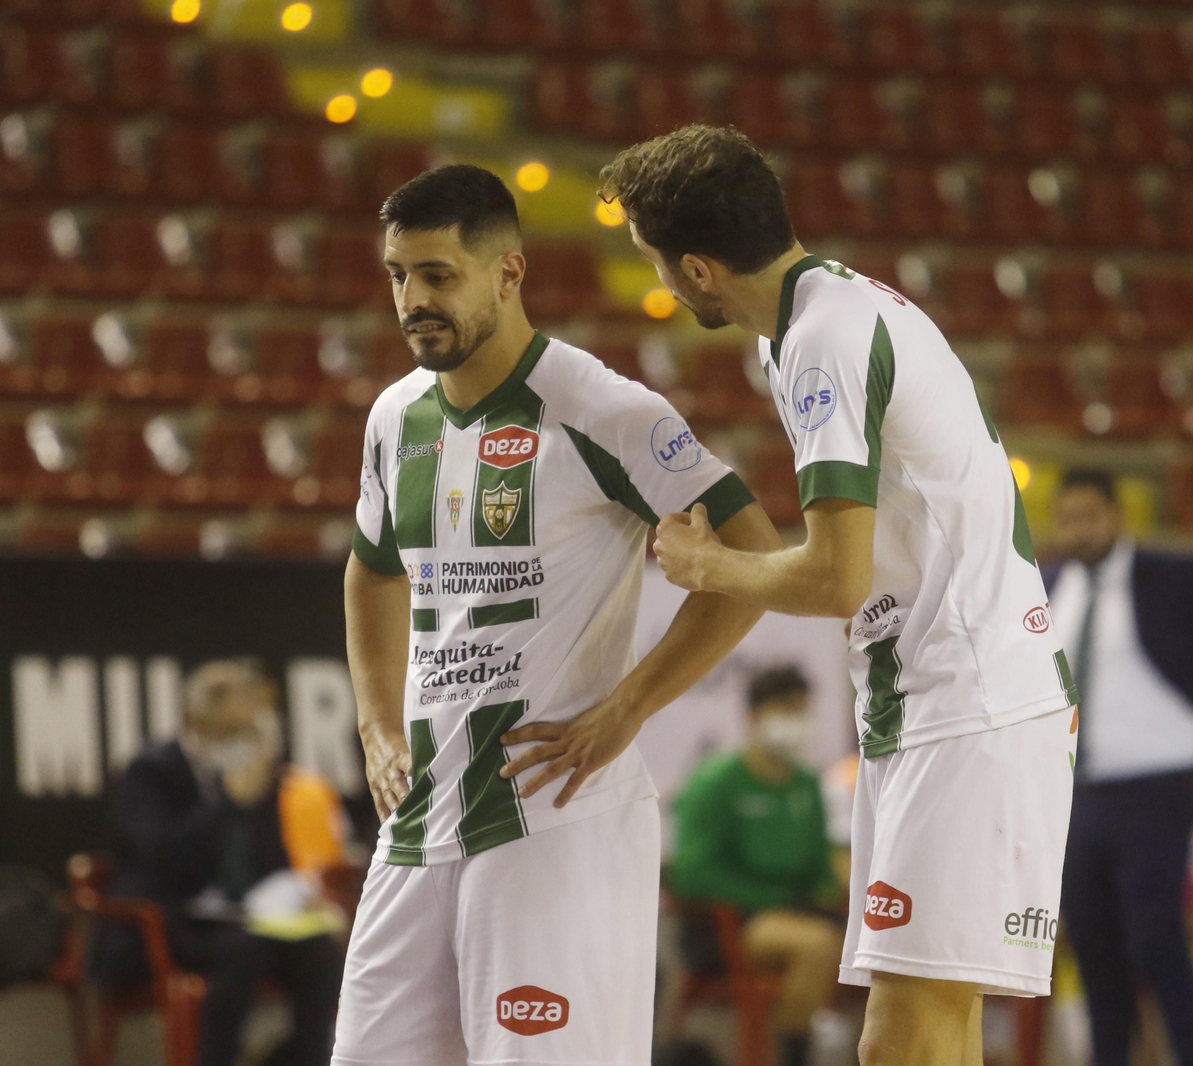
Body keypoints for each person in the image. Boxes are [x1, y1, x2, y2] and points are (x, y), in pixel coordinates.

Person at [596, 125, 1079, 1066]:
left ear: (696, 269)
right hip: (943, 698)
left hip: (968, 701)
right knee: (939, 1030)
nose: (659, 284)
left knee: (898, 1040)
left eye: (654, 265)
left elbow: (834, 576)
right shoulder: (816, 319)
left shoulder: (821, 339)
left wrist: (710, 568)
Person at [338, 164, 782, 1066]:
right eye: (397, 275)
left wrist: (627, 710)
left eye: (437, 275)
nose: (412, 299)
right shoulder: (394, 418)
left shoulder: (601, 409)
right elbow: (371, 570)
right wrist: (378, 725)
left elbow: (753, 556)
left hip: (552, 813)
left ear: (509, 273)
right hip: (422, 819)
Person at [1046, 468, 1193, 1066]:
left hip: (1156, 784)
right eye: (1068, 518)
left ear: (1117, 516)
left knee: (1155, 935)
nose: (1078, 530)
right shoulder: (1051, 584)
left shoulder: (1173, 576)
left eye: (1089, 516)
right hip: (1080, 793)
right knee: (1093, 944)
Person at [98, 660, 348, 1066]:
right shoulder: (150, 771)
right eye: (229, 732)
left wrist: (297, 894)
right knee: (245, 950)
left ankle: (302, 1058)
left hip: (243, 918)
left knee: (319, 950)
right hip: (171, 922)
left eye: (247, 731)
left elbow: (271, 857)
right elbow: (161, 856)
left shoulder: (255, 773)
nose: (240, 742)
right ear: (191, 721)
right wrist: (227, 804)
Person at [672, 666, 843, 1066]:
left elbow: (820, 868)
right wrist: (775, 899)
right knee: (816, 945)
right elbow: (692, 874)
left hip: (797, 914)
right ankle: (794, 1057)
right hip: (727, 925)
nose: (797, 722)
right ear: (754, 715)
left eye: (803, 711)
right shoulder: (715, 782)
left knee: (869, 946)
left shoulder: (806, 785)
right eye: (787, 709)